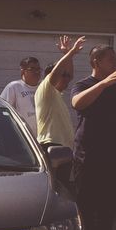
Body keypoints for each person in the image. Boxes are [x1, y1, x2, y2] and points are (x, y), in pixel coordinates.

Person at [71, 45, 116, 230]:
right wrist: (104, 84)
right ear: (96, 62)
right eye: (110, 59)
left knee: (108, 213)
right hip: (87, 160)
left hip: (113, 160)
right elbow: (77, 103)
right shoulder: (84, 85)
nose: (115, 63)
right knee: (87, 212)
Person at [36, 35, 86, 189]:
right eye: (62, 76)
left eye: (66, 76)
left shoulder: (57, 94)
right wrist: (70, 53)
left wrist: (67, 55)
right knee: (54, 189)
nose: (66, 78)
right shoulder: (45, 90)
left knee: (62, 188)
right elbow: (57, 73)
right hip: (52, 146)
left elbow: (68, 74)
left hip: (63, 149)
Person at [0, 56, 42, 128]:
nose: (36, 72)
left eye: (38, 69)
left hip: (41, 136)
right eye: (32, 69)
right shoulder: (14, 87)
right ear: (23, 71)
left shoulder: (42, 87)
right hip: (23, 135)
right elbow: (4, 111)